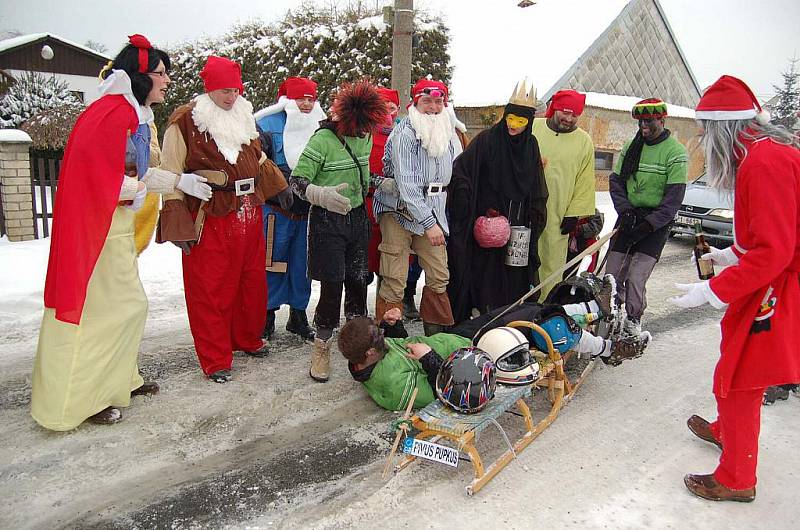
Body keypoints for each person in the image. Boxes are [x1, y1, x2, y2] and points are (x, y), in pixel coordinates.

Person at [30, 35, 210, 429]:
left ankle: (117, 382)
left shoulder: (132, 115)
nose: (166, 81)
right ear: (140, 76)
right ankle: (77, 401)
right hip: (97, 229)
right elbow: (106, 181)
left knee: (126, 308)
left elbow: (135, 171)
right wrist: (147, 189)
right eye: (160, 74)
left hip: (115, 228)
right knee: (100, 313)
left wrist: (180, 182)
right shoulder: (111, 114)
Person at [669, 75, 800, 502]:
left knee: (742, 376)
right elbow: (765, 234)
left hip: (780, 285)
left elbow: (774, 253)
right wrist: (729, 253)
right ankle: (727, 430)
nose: (704, 139)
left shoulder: (764, 164)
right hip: (772, 279)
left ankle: (737, 478)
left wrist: (712, 291)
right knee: (735, 353)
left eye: (707, 130)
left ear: (725, 128)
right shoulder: (759, 156)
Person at [156, 56, 288, 383]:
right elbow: (171, 169)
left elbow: (257, 157)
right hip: (210, 212)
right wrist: (175, 218)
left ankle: (246, 338)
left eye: (236, 90)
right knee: (210, 287)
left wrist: (280, 188)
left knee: (250, 281)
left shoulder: (243, 115)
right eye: (225, 91)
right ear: (210, 88)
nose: (231, 97)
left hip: (249, 209)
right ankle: (215, 358)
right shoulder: (185, 121)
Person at [338, 274, 650, 411]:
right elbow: (443, 390)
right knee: (540, 326)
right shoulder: (391, 388)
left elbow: (401, 353)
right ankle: (607, 346)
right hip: (470, 359)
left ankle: (596, 310)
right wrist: (429, 357)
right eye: (378, 334)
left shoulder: (372, 355)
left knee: (522, 308)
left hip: (458, 338)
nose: (380, 333)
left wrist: (393, 328)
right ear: (368, 352)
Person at [289, 80, 388, 382]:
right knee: (332, 286)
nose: (364, 134)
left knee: (359, 281)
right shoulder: (322, 140)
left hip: (356, 217)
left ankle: (359, 346)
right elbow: (297, 180)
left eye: (369, 129)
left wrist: (381, 183)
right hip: (327, 221)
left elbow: (361, 173)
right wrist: (319, 194)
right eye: (361, 128)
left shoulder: (366, 134)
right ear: (349, 119)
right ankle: (322, 346)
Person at [448, 80, 548, 322]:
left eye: (520, 122)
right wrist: (470, 203)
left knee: (513, 275)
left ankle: (509, 318)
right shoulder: (487, 140)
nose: (513, 126)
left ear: (529, 123)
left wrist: (534, 214)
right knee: (484, 273)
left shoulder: (531, 145)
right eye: (511, 119)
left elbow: (536, 184)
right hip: (486, 225)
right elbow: (461, 170)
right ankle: (479, 316)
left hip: (517, 225)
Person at [373, 79, 456, 336]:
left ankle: (437, 335)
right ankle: (390, 337)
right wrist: (430, 224)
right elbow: (408, 184)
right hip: (399, 210)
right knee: (395, 277)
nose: (433, 107)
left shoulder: (446, 131)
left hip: (432, 208)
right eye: (427, 101)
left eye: (438, 101)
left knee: (439, 272)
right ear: (416, 102)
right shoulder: (405, 133)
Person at [607, 98, 688, 335]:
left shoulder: (675, 152)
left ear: (662, 120)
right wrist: (625, 211)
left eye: (649, 121)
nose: (644, 126)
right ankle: (611, 312)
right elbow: (616, 181)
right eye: (641, 121)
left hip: (656, 222)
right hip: (630, 214)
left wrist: (648, 225)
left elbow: (673, 200)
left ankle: (633, 317)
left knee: (636, 276)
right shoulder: (632, 147)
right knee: (613, 272)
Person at [254, 77, 326, 341]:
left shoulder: (321, 127)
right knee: (271, 261)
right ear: (287, 100)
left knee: (302, 263)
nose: (306, 104)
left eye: (311, 98)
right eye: (301, 98)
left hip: (308, 210)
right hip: (276, 210)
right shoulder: (266, 125)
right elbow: (258, 163)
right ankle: (267, 315)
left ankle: (298, 315)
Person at [532, 89, 596, 300]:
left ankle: (544, 308)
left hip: (558, 214)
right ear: (554, 108)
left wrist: (574, 215)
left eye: (574, 115)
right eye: (565, 112)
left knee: (552, 263)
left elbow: (585, 180)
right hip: (527, 209)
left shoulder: (583, 141)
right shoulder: (534, 128)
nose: (569, 119)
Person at [564, 209, 604, 278]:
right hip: (567, 251)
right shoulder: (566, 210)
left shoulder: (592, 211)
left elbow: (596, 227)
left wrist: (578, 229)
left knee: (583, 275)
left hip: (586, 249)